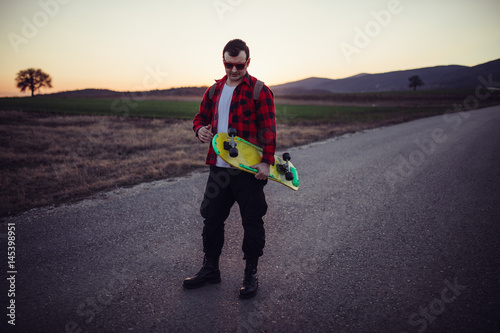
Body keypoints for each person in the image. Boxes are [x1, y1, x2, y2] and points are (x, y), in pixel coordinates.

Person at [184, 39, 276, 299]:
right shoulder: (214, 91)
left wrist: (266, 162)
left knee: (252, 221)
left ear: (248, 62)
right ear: (223, 61)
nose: (233, 70)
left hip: (248, 170)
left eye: (239, 64)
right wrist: (199, 129)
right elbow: (200, 117)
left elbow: (268, 129)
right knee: (211, 218)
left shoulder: (260, 91)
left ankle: (250, 274)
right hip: (219, 168)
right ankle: (210, 269)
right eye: (228, 64)